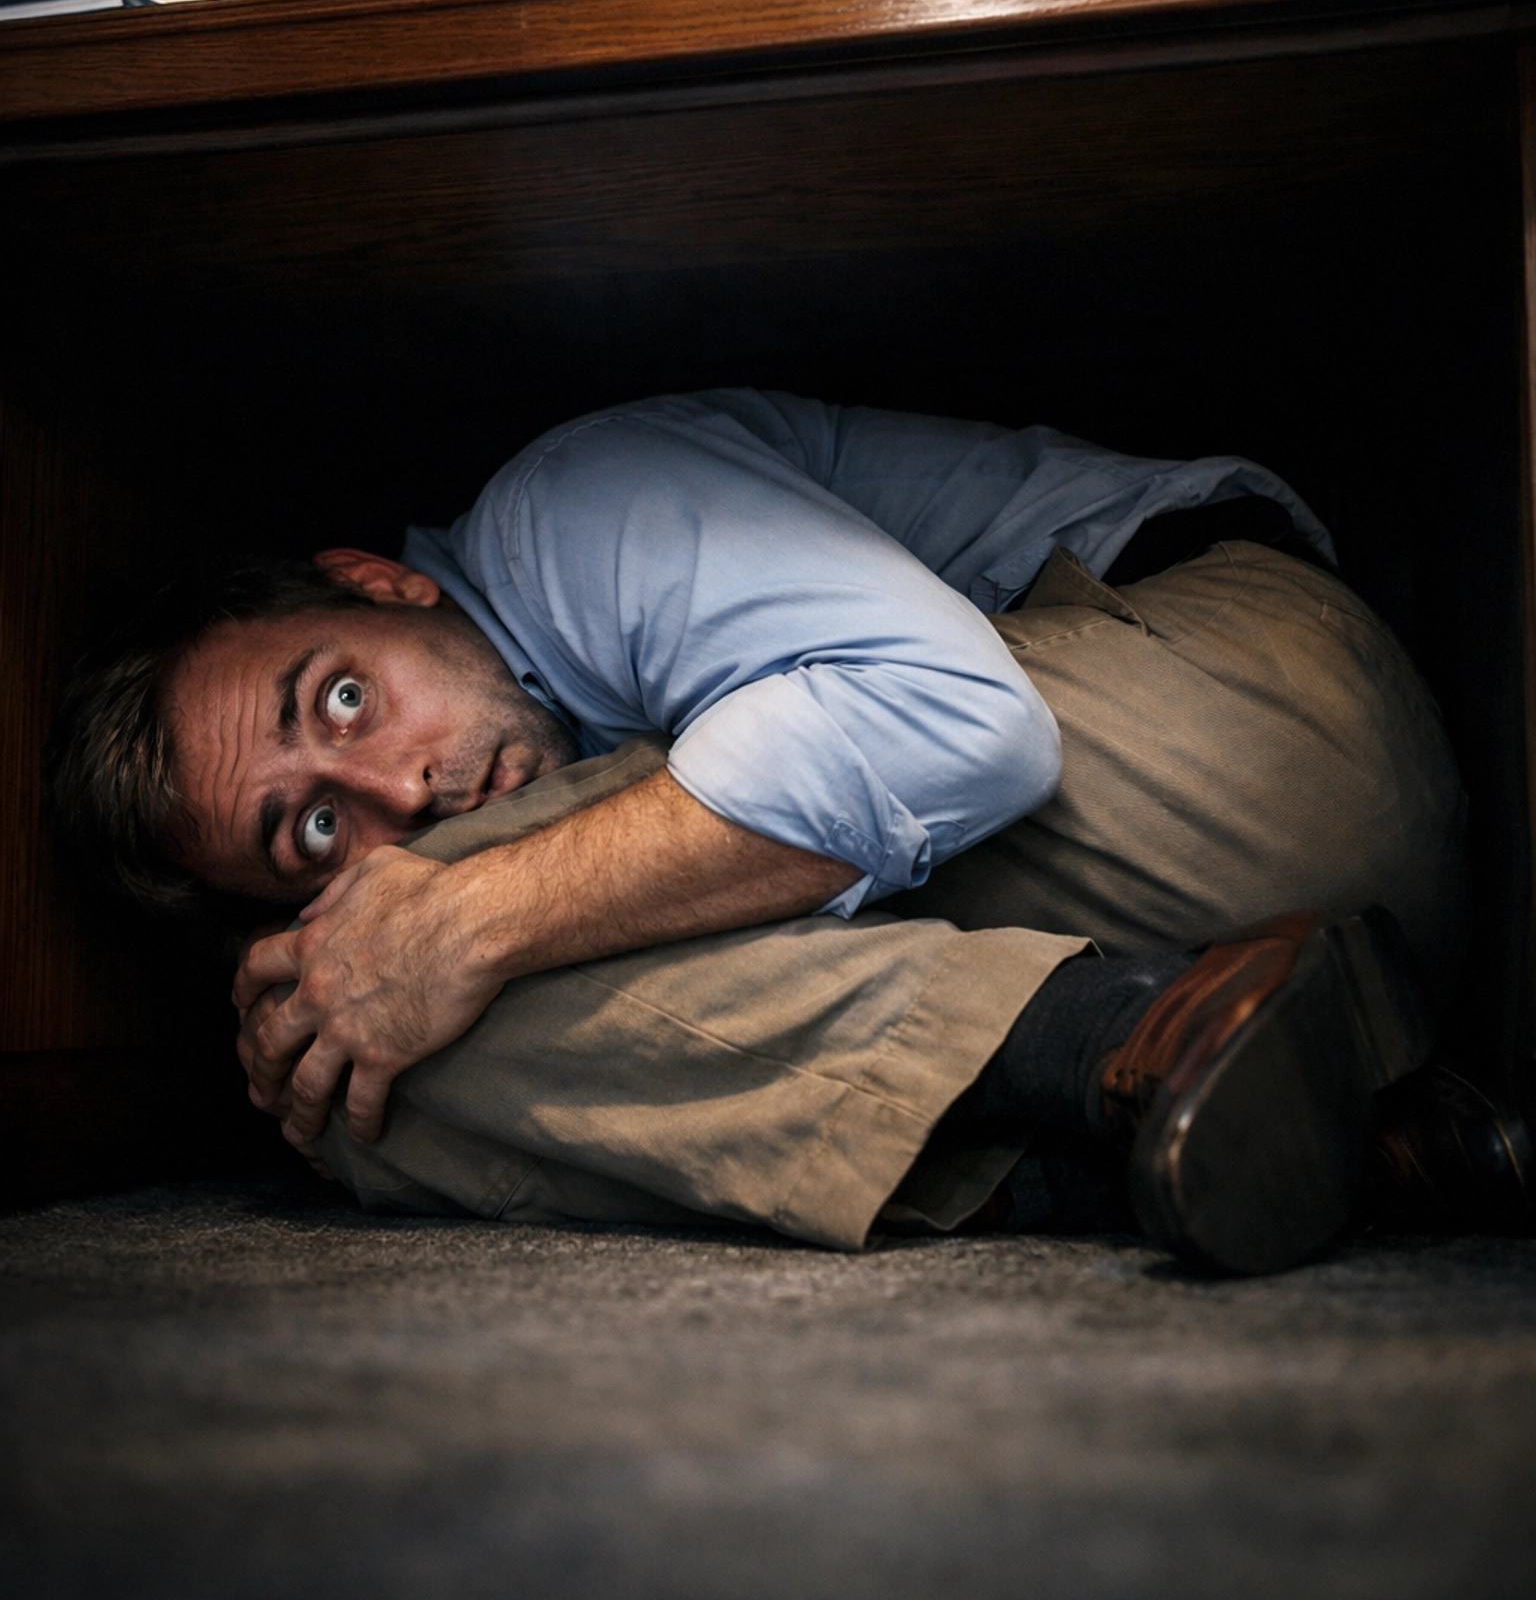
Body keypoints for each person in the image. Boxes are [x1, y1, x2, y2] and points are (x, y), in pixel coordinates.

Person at [53, 389, 1501, 1273]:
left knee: (391, 1007)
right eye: (310, 829)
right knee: (370, 999)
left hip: (1248, 725)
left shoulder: (567, 515)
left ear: (382, 584)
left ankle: (1118, 1072)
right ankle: (1343, 1133)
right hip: (1276, 935)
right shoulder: (483, 754)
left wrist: (461, 919)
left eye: (347, 698)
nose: (397, 795)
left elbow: (963, 724)